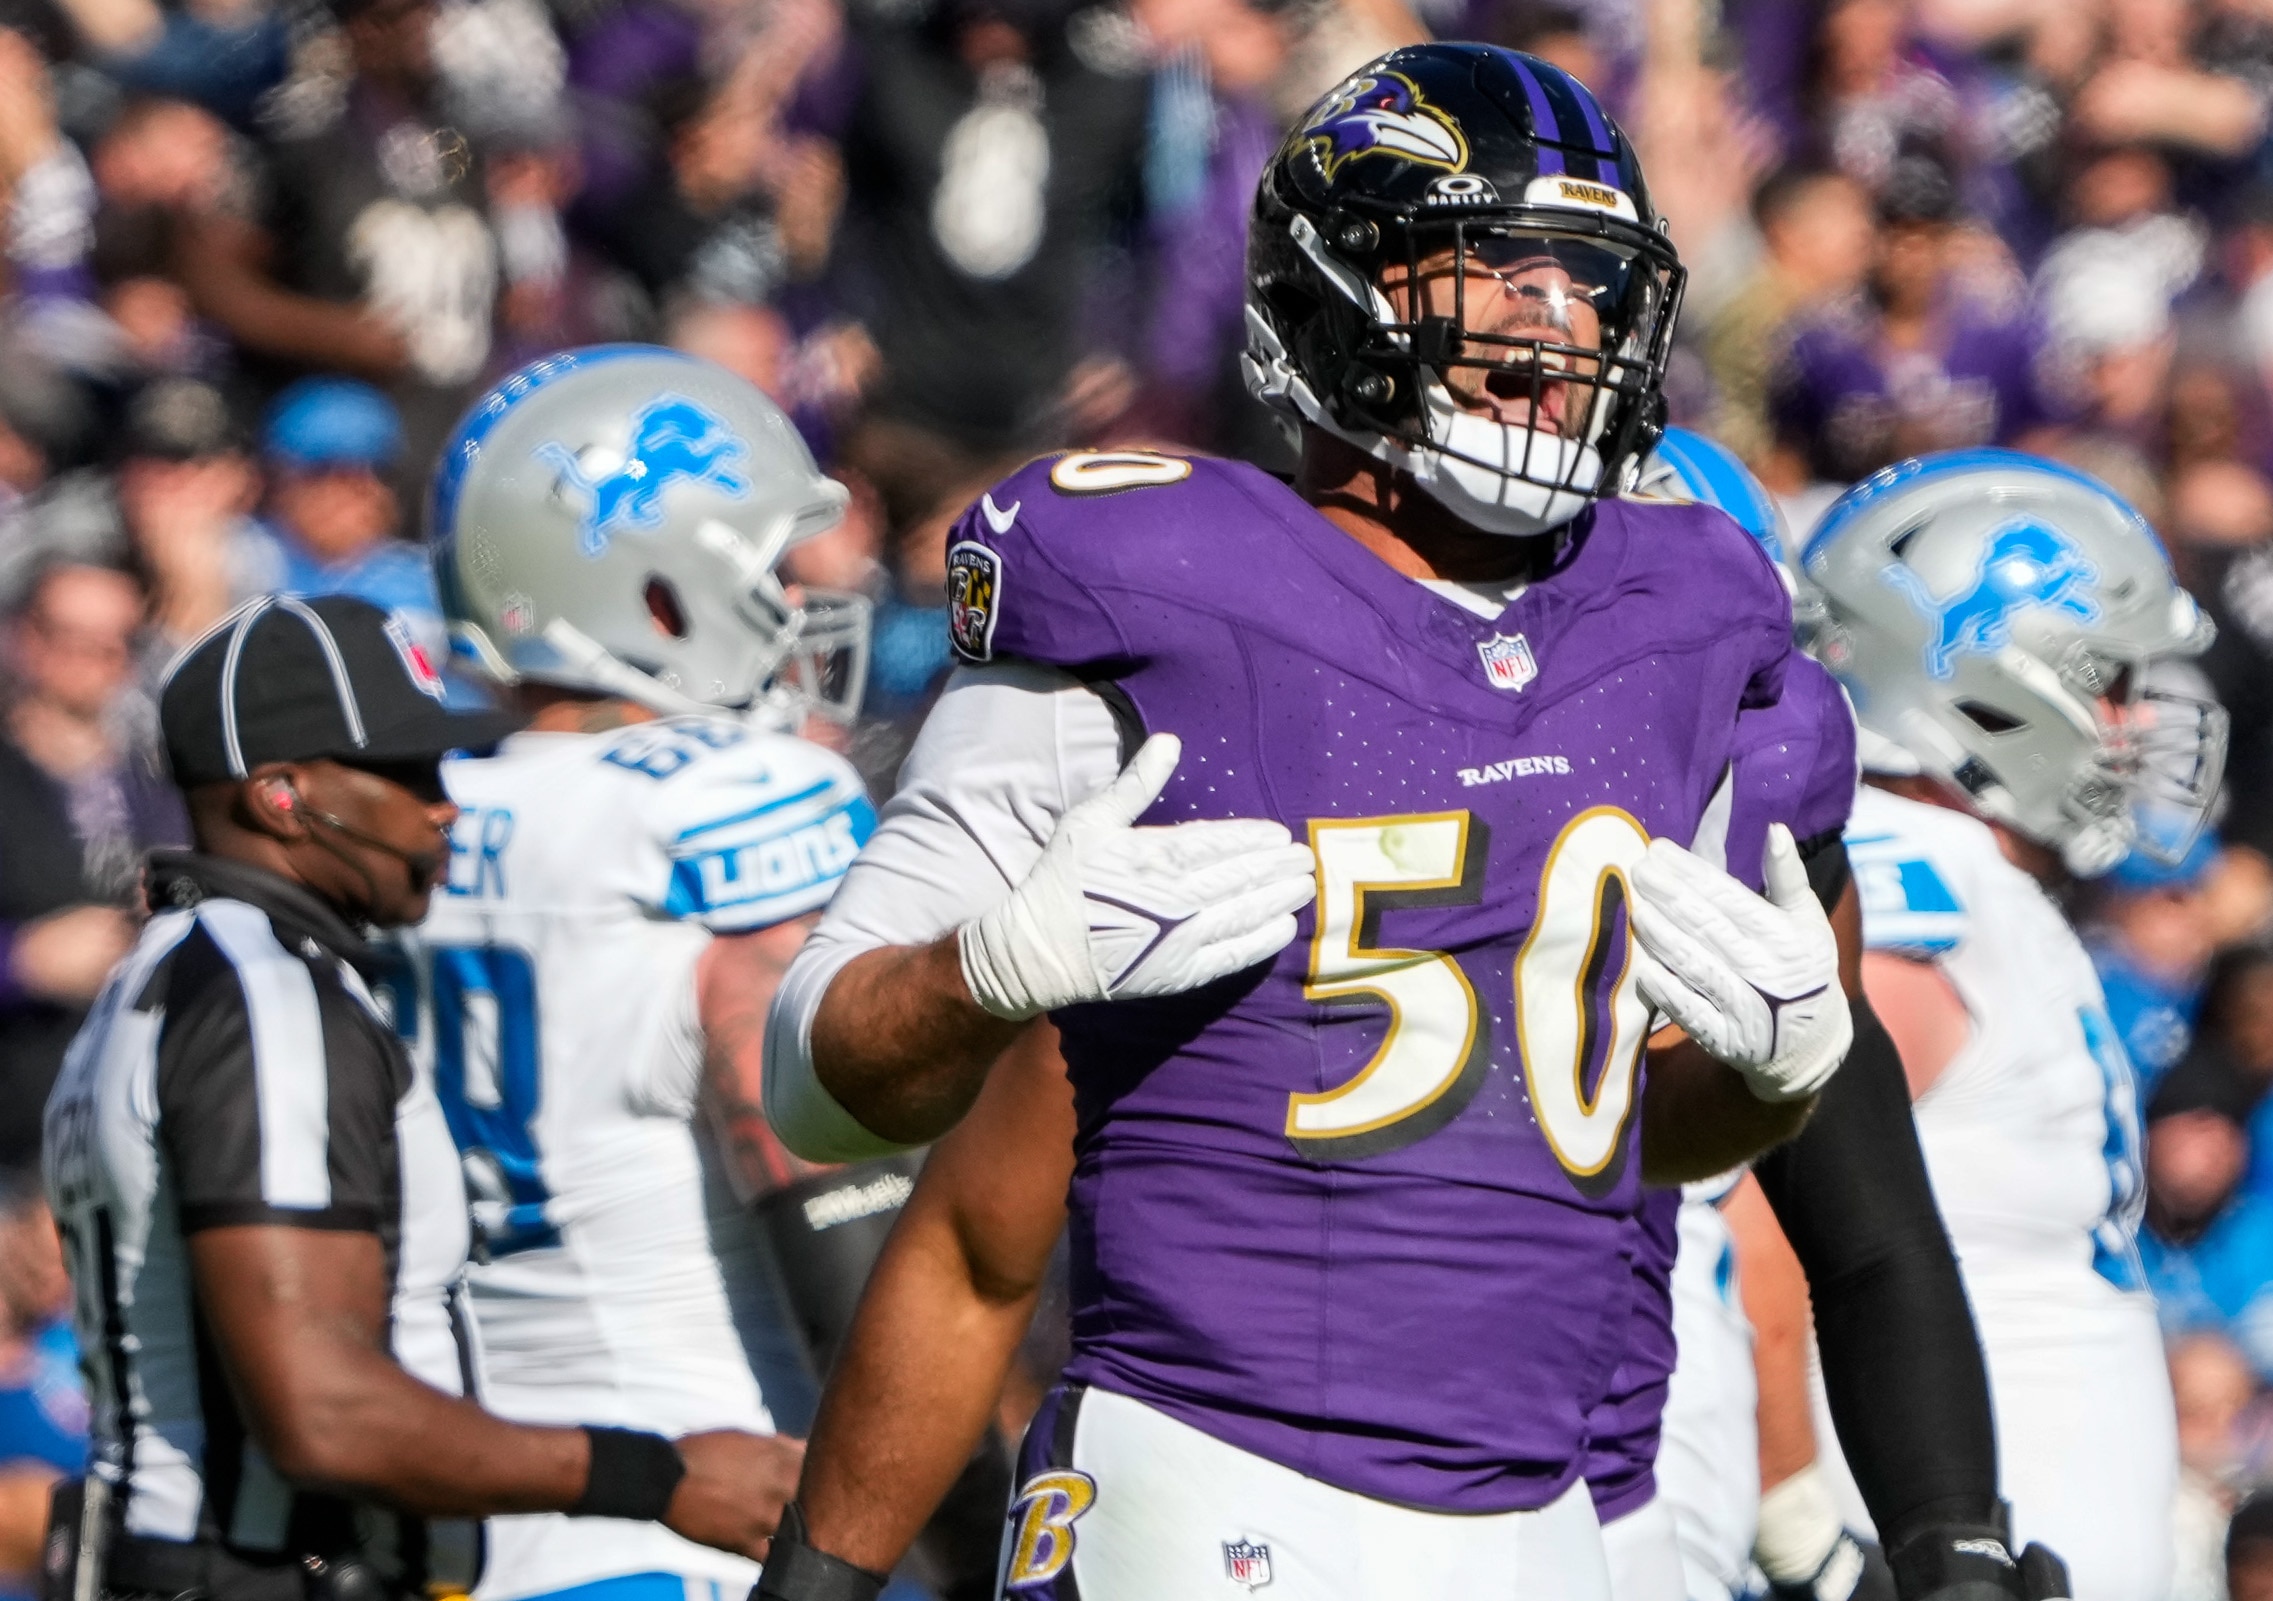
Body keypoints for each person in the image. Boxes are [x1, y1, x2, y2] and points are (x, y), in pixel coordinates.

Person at [758, 45, 1862, 1601]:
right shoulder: (1153, 585)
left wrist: (1779, 1084)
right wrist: (987, 971)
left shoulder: (1691, 615)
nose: (1559, 341)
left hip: (1548, 1516)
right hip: (1201, 1475)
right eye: (1498, 282)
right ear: (1340, 297)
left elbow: (1633, 1142)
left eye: (1589, 290)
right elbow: (815, 1085)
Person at [39, 594, 800, 1601]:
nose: (445, 803)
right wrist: (656, 1473)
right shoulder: (264, 998)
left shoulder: (172, 974)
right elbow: (325, 1412)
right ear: (280, 793)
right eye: (405, 773)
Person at [407, 345, 880, 1601]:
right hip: (715, 1520)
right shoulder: (733, 799)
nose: (795, 604)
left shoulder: (411, 817)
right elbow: (850, 1227)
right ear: (651, 591)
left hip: (483, 1522)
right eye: (763, 570)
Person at [1803, 448, 2226, 1601]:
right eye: (2107, 679)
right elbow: (1756, 1202)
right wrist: (1793, 1517)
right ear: (1983, 674)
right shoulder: (1908, 894)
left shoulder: (1982, 887)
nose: (2133, 722)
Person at [0, 561, 186, 1168]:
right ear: (24, 637)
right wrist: (21, 962)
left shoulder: (159, 788)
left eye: (116, 642)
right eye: (71, 638)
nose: (97, 659)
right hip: (20, 1138)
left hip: (138, 1134)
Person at [255, 378, 448, 663]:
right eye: (335, 470)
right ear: (278, 483)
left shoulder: (424, 577)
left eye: (380, 469)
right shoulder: (243, 563)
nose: (367, 489)